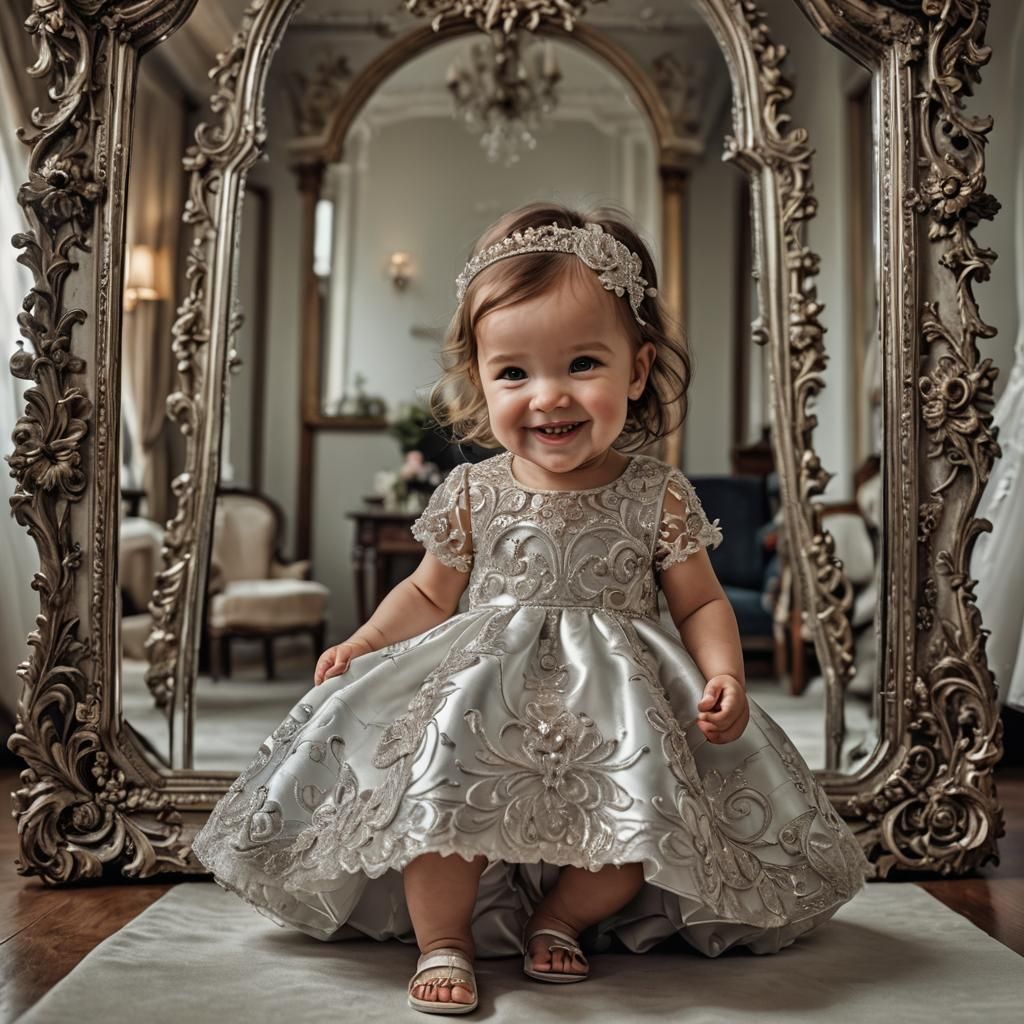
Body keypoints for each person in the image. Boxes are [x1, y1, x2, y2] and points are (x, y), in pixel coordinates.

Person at [190, 202, 873, 1015]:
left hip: (618, 700)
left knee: (632, 831)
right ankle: (443, 939)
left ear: (639, 367)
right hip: (481, 692)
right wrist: (368, 638)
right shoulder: (474, 491)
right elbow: (427, 591)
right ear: (479, 380)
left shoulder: (657, 494)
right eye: (514, 372)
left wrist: (722, 673)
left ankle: (561, 918)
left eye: (583, 362)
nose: (549, 396)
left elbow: (700, 602)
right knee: (438, 807)